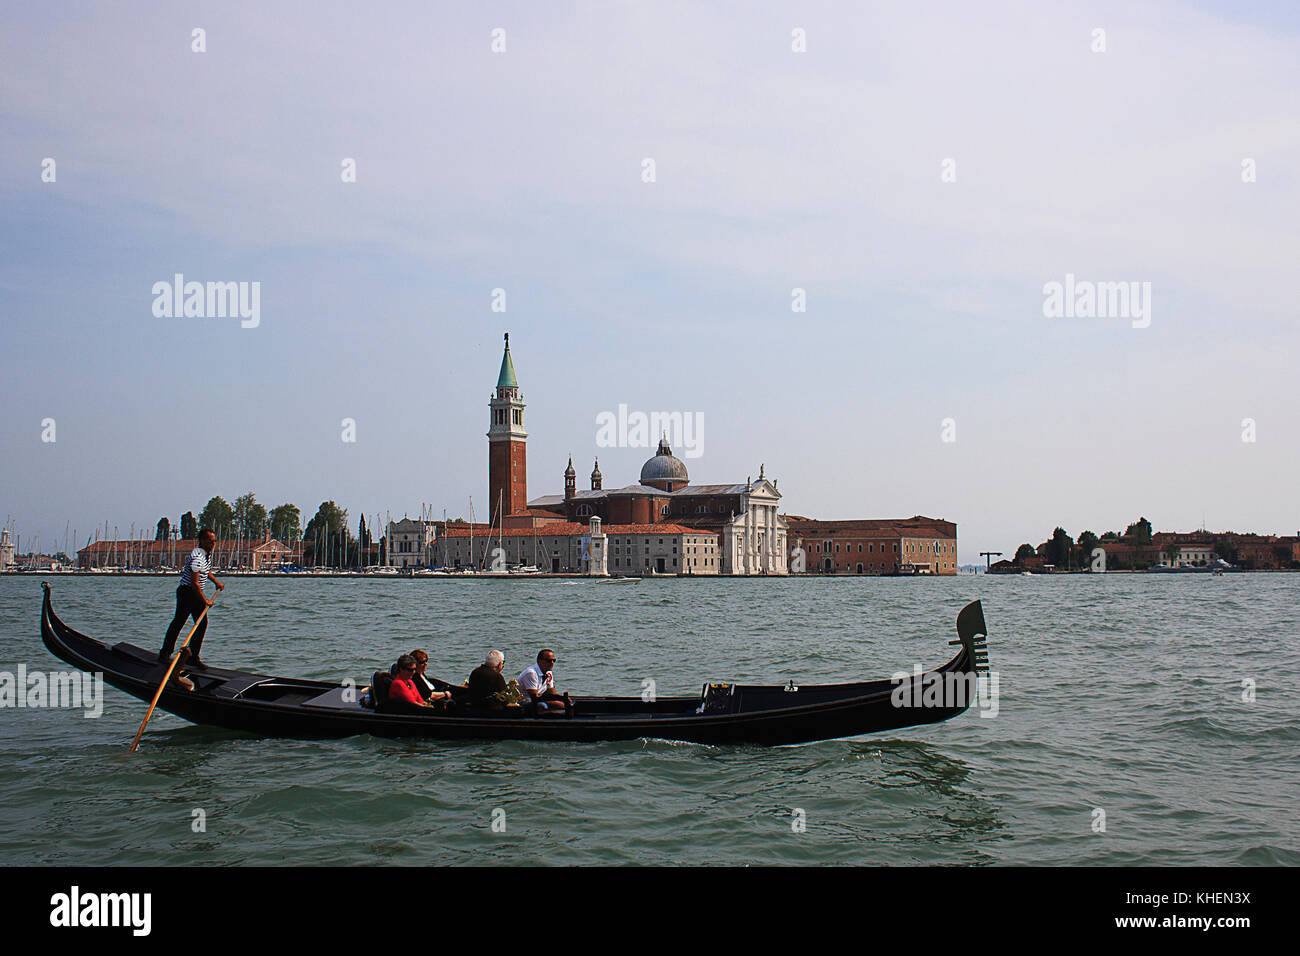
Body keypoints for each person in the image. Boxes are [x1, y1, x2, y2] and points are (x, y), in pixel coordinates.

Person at [159, 528, 223, 670]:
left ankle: (193, 657)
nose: (213, 543)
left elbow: (205, 571)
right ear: (202, 541)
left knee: (202, 624)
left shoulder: (206, 555)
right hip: (187, 593)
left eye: (214, 541)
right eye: (210, 541)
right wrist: (205, 600)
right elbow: (194, 582)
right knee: (179, 622)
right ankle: (165, 653)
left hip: (195, 592)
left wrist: (216, 582)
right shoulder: (197, 557)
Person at [517, 649, 569, 715]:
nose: (552, 663)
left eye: (554, 660)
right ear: (539, 661)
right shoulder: (531, 673)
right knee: (543, 706)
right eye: (549, 661)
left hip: (537, 699)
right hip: (523, 702)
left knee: (565, 704)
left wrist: (563, 700)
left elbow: (551, 692)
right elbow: (534, 697)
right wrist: (557, 703)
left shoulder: (548, 672)